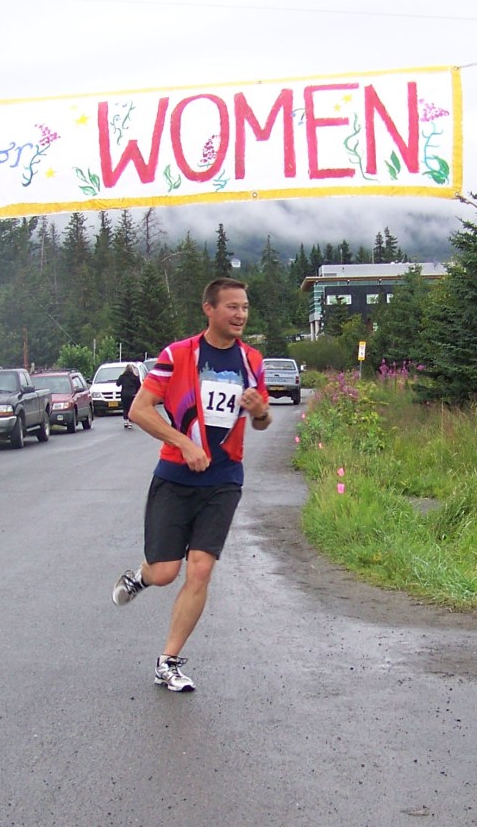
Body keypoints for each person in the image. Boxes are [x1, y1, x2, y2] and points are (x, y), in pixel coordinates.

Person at [111, 277, 271, 692]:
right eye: (232, 307)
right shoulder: (178, 355)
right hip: (176, 477)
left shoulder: (252, 361)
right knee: (166, 572)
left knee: (200, 569)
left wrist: (260, 411)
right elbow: (140, 410)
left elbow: (263, 420)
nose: (240, 315)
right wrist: (183, 444)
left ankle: (169, 661)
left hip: (223, 479)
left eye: (245, 308)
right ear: (209, 309)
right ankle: (141, 577)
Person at [116, 363, 141, 429]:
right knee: (130, 408)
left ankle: (126, 421)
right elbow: (139, 386)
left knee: (125, 407)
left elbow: (117, 384)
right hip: (132, 394)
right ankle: (130, 422)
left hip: (124, 394)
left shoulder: (122, 376)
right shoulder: (135, 377)